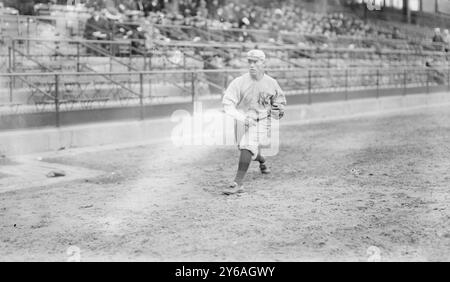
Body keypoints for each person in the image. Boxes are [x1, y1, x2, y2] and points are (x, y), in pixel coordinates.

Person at [221, 49, 287, 195]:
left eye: (255, 61)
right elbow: (227, 104)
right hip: (242, 119)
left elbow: (280, 102)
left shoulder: (271, 83)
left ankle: (237, 183)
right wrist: (241, 117)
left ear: (263, 63)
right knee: (245, 148)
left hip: (262, 119)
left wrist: (279, 109)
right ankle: (262, 160)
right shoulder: (239, 82)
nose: (252, 65)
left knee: (247, 144)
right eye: (249, 61)